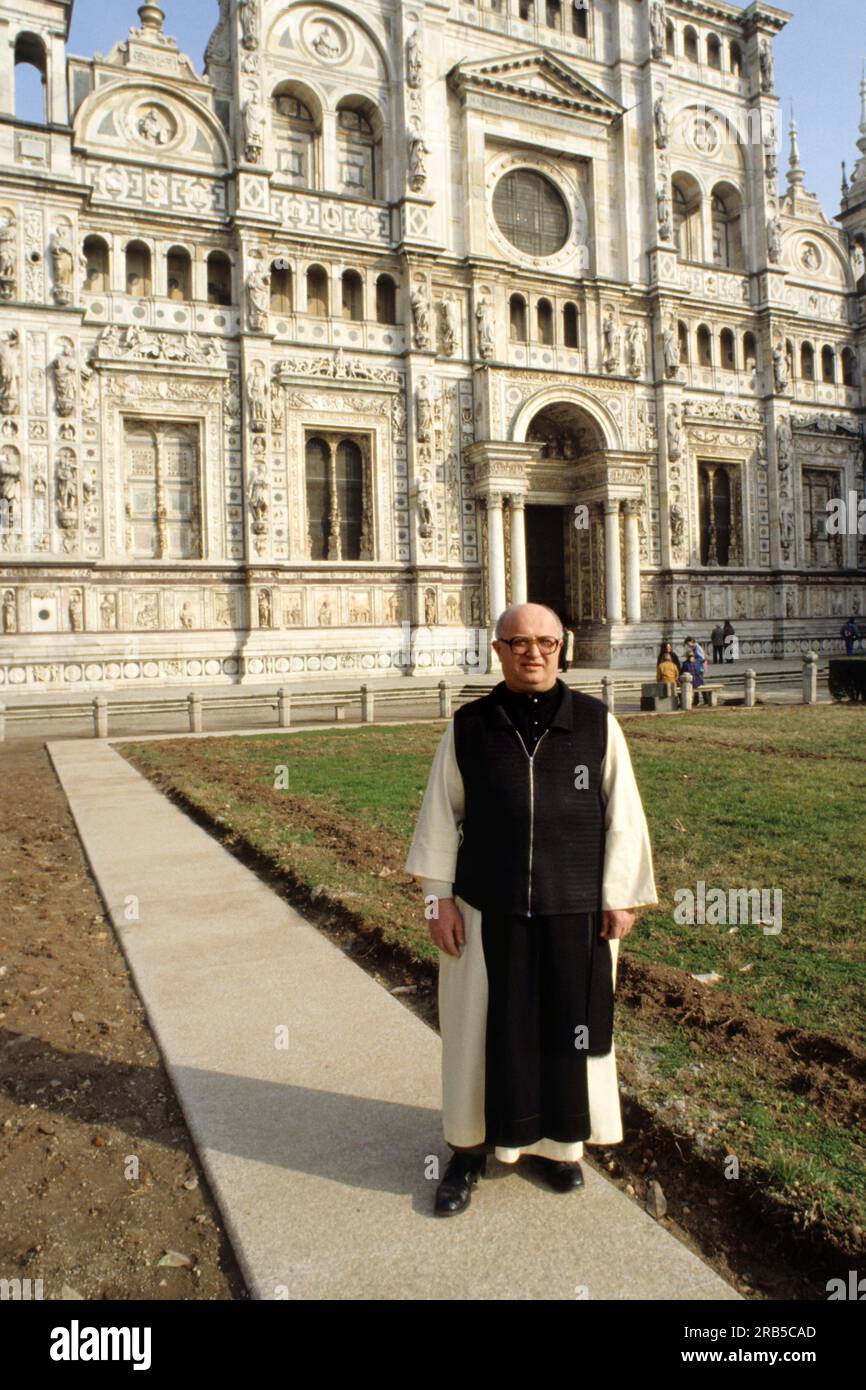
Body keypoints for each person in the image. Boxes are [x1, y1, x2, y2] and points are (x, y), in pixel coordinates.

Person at [404, 602, 658, 1216]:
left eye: (545, 642)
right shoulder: (470, 726)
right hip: (488, 908)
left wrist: (621, 896)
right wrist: (438, 901)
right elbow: (440, 816)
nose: (533, 653)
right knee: (483, 1031)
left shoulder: (596, 724)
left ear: (562, 647)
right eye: (519, 643)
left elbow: (623, 813)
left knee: (567, 1030)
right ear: (499, 651)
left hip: (575, 912)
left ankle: (560, 1148)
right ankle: (468, 1149)